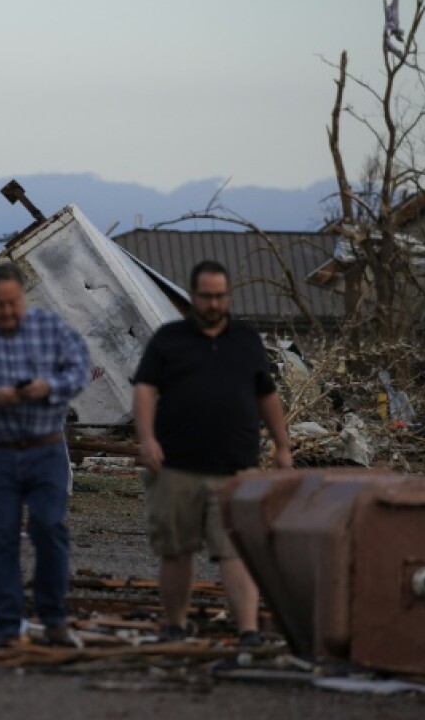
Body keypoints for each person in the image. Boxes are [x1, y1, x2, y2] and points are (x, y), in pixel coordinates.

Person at [132, 260, 293, 647]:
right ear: (192, 296)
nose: (214, 303)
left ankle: (249, 631)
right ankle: (174, 626)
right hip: (176, 468)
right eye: (206, 296)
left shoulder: (246, 340)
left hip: (235, 469)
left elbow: (266, 393)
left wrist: (283, 445)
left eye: (221, 296)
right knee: (176, 551)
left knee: (235, 553)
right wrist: (147, 439)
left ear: (229, 296)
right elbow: (144, 390)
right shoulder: (168, 339)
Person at [0, 262, 91, 648]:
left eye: (13, 303)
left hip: (46, 450)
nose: (7, 312)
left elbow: (80, 370)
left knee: (50, 529)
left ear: (22, 296)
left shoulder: (51, 328)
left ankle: (54, 619)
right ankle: (8, 625)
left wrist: (50, 387)